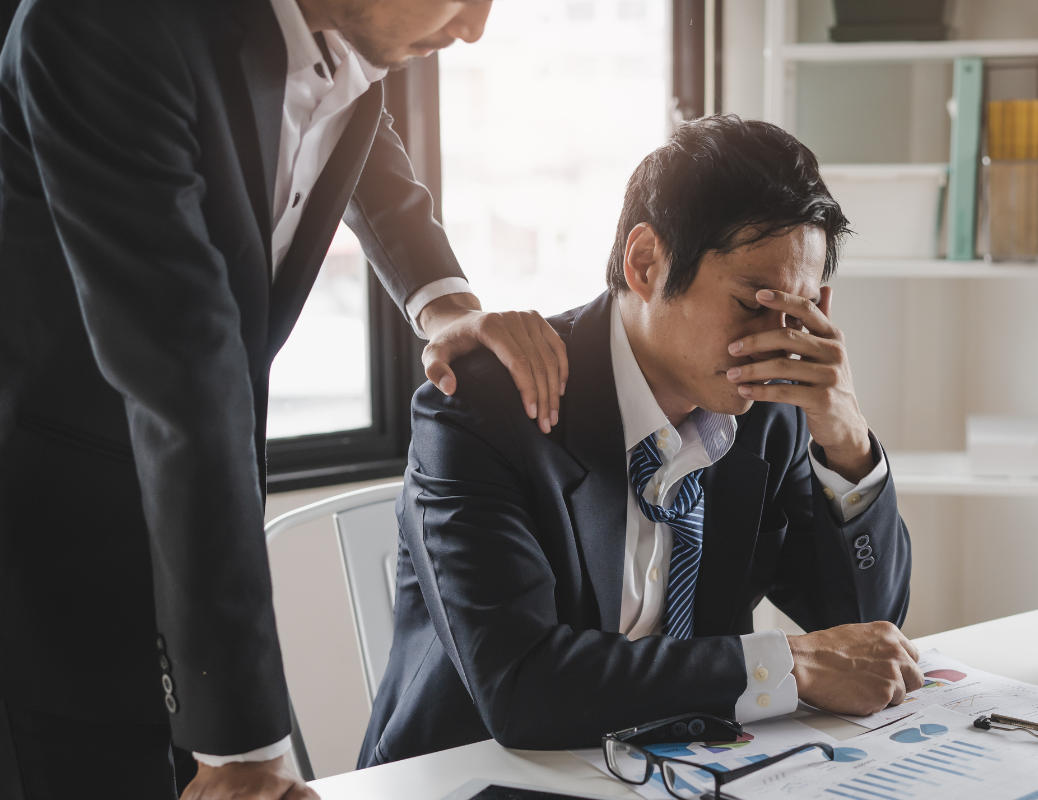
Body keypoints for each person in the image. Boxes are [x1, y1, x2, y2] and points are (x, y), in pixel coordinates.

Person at [0, 0, 567, 798]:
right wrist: (242, 744)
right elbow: (188, 378)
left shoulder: (336, 38)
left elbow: (355, 127)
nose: (475, 27)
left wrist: (444, 299)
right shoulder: (102, 24)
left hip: (197, 537)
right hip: (48, 554)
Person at [361, 115, 922, 768]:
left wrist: (846, 437)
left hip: (675, 771)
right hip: (476, 776)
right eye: (751, 304)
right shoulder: (486, 407)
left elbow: (863, 632)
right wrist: (787, 665)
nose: (779, 340)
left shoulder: (772, 405)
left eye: (800, 311)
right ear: (646, 263)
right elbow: (521, 686)